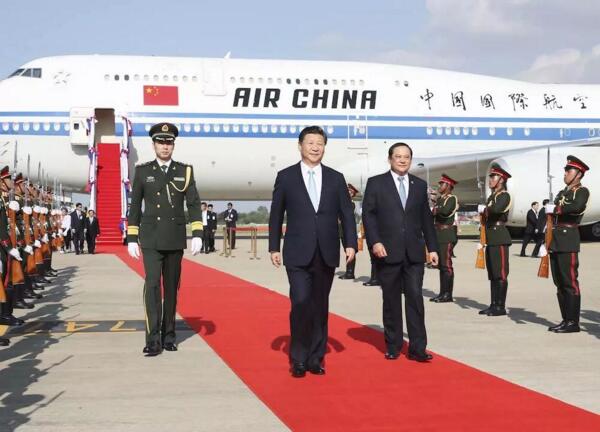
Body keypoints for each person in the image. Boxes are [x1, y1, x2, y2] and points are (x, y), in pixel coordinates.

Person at [269, 125, 357, 377]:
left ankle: (315, 358)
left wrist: (350, 243)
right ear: (300, 146)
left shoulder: (335, 178)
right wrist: (274, 246)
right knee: (300, 302)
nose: (315, 147)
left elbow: (346, 214)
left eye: (320, 143)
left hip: (326, 251)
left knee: (319, 306)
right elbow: (276, 214)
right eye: (310, 143)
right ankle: (298, 358)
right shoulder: (286, 177)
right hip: (297, 251)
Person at [127, 122, 204, 356]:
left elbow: (193, 203)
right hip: (151, 238)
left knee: (171, 289)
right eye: (160, 142)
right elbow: (135, 206)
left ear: (173, 145)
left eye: (168, 142)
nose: (165, 146)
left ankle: (169, 335)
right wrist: (132, 236)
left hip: (174, 237)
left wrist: (197, 233)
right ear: (153, 145)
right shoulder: (143, 171)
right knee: (152, 287)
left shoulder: (184, 171)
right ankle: (153, 340)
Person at [362, 142, 439, 362]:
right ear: (390, 159)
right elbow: (369, 216)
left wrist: (433, 248)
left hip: (414, 252)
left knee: (415, 298)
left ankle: (418, 348)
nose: (403, 160)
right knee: (391, 300)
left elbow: (426, 219)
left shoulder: (419, 185)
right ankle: (393, 345)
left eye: (406, 157)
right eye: (398, 156)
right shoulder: (376, 183)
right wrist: (375, 242)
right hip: (387, 252)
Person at [542, 156, 590, 333]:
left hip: (568, 239)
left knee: (569, 282)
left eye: (569, 171)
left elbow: (576, 207)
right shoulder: (562, 192)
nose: (565, 174)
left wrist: (556, 209)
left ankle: (573, 322)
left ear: (578, 174)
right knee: (560, 282)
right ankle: (566, 319)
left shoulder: (581, 191)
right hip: (556, 240)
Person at [477, 164, 512, 317]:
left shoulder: (504, 195)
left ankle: (500, 306)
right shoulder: (492, 196)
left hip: (499, 237)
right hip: (491, 237)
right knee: (492, 274)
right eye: (490, 176)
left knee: (500, 273)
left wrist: (485, 210)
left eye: (493, 177)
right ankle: (493, 304)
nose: (490, 179)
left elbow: (497, 209)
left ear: (501, 179)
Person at [430, 174, 459, 303]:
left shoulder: (451, 198)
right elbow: (435, 212)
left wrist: (436, 209)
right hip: (439, 234)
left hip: (446, 234)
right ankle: (442, 293)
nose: (439, 186)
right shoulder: (440, 199)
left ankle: (448, 294)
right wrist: (435, 208)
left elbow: (445, 211)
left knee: (446, 265)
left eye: (442, 184)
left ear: (448, 185)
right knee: (441, 266)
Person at [339, 183, 359, 280]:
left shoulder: (351, 203)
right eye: (348, 191)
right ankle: (349, 271)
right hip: (342, 230)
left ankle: (350, 272)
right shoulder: (343, 203)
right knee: (346, 250)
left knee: (350, 250)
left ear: (353, 194)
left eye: (350, 192)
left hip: (347, 231)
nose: (349, 193)